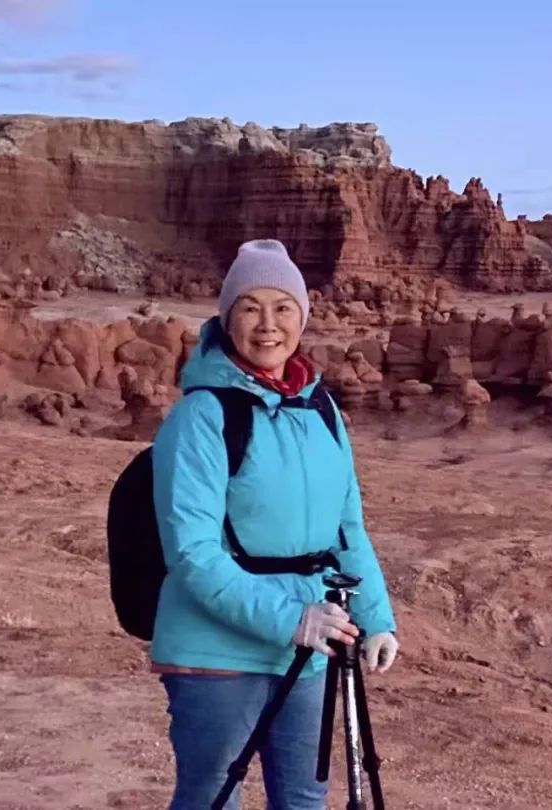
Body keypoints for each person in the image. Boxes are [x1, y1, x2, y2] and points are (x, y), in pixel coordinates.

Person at [149, 239, 399, 810]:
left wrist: (376, 619)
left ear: (302, 318)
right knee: (213, 797)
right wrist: (291, 620)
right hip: (216, 654)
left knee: (304, 798)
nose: (268, 325)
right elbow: (192, 554)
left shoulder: (321, 410)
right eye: (250, 307)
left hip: (309, 649)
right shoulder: (201, 416)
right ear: (227, 317)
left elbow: (346, 530)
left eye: (283, 307)